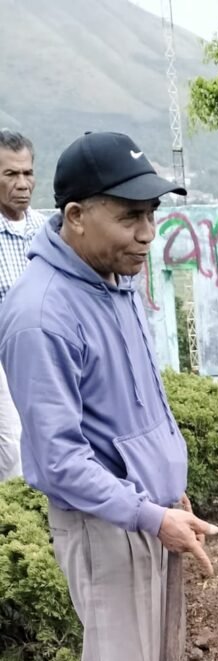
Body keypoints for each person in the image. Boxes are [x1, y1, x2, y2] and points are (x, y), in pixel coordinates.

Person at [0, 131, 218, 661]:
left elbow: (136, 400)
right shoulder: (40, 313)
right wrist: (147, 512)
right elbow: (60, 459)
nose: (147, 233)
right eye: (130, 217)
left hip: (147, 507)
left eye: (151, 214)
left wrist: (167, 486)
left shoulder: (112, 280)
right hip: (105, 517)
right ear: (75, 216)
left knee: (150, 642)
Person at [0, 130, 46, 480]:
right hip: (4, 358)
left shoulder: (48, 232)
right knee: (12, 446)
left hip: (45, 353)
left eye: (27, 173)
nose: (22, 183)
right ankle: (14, 507)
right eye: (10, 174)